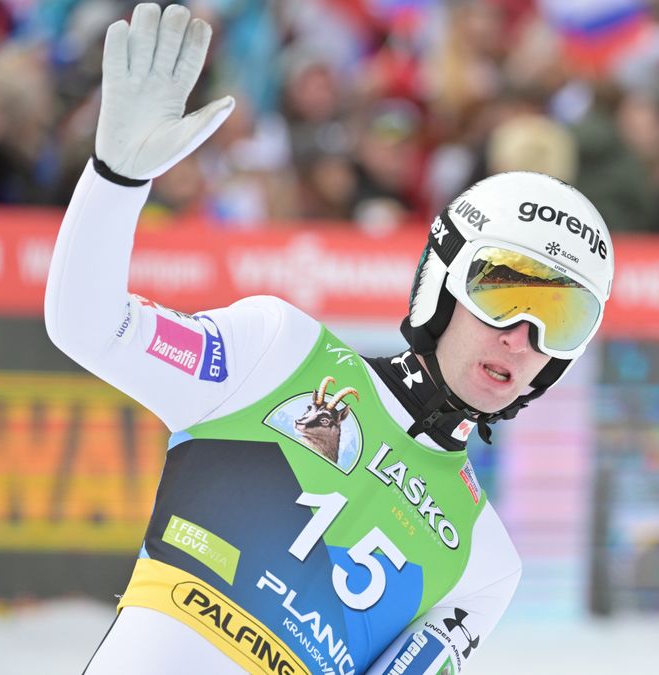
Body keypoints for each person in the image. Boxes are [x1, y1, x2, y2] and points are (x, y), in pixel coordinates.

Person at [44, 5, 615, 674]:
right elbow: (90, 327)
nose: (523, 339)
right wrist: (115, 179)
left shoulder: (485, 563)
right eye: (504, 295)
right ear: (442, 285)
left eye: (560, 322)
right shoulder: (277, 352)